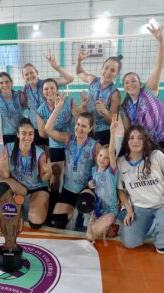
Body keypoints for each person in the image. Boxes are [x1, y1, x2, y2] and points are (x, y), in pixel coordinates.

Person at [117, 125, 164, 254]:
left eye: (140, 138)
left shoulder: (156, 155)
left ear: (145, 140)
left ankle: (161, 240)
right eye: (132, 138)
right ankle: (152, 225)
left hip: (163, 205)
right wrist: (129, 210)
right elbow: (121, 190)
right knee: (129, 242)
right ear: (127, 142)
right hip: (140, 209)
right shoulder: (121, 162)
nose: (135, 141)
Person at [121, 24, 164, 163]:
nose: (130, 84)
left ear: (139, 83)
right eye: (126, 82)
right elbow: (129, 131)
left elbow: (159, 65)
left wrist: (161, 41)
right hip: (148, 144)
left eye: (133, 80)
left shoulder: (149, 90)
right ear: (124, 88)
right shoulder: (127, 106)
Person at [44, 98, 100, 229]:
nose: (79, 128)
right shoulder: (68, 138)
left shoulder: (95, 146)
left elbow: (102, 169)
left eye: (84, 126)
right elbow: (47, 128)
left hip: (85, 188)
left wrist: (94, 182)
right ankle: (73, 211)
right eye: (78, 124)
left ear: (90, 128)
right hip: (68, 189)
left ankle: (83, 210)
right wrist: (57, 108)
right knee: (56, 222)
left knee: (85, 204)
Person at [0, 118, 52, 229]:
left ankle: (41, 204)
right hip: (19, 186)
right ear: (18, 134)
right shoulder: (8, 148)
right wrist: (1, 166)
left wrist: (49, 173)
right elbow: (5, 176)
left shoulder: (40, 153)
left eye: (30, 134)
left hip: (37, 186)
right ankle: (17, 202)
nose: (27, 137)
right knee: (2, 186)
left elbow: (43, 178)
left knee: (35, 222)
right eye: (23, 133)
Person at [37, 78, 80, 195]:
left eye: (52, 88)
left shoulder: (69, 101)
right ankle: (54, 199)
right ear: (42, 92)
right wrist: (54, 133)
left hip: (71, 142)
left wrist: (81, 109)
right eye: (46, 89)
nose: (49, 91)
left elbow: (78, 119)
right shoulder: (41, 110)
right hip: (55, 143)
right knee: (56, 174)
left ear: (57, 90)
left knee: (72, 173)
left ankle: (72, 199)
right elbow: (41, 133)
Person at [22, 50, 74, 146]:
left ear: (37, 73)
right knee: (40, 155)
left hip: (53, 127)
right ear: (23, 77)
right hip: (37, 129)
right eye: (26, 74)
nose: (30, 76)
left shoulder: (47, 84)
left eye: (32, 72)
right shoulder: (25, 90)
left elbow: (70, 78)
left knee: (51, 155)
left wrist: (56, 67)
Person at [76, 50, 122, 145]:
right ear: (101, 69)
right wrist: (79, 60)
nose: (108, 72)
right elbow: (79, 72)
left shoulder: (114, 94)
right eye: (106, 68)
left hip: (102, 132)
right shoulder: (92, 80)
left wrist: (104, 111)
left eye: (112, 70)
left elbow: (113, 122)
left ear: (116, 75)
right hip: (87, 129)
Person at [86, 114, 119, 241]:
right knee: (89, 236)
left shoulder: (111, 172)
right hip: (98, 210)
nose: (102, 159)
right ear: (96, 157)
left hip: (110, 212)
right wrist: (89, 184)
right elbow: (93, 185)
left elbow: (111, 151)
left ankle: (111, 225)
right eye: (100, 156)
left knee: (95, 231)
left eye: (106, 158)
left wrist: (113, 131)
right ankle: (107, 228)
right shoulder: (94, 170)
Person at [0, 72, 27, 144]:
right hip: (7, 132)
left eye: (7, 82)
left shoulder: (19, 95)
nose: (4, 85)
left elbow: (28, 110)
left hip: (22, 131)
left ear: (11, 83)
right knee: (11, 154)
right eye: (1, 83)